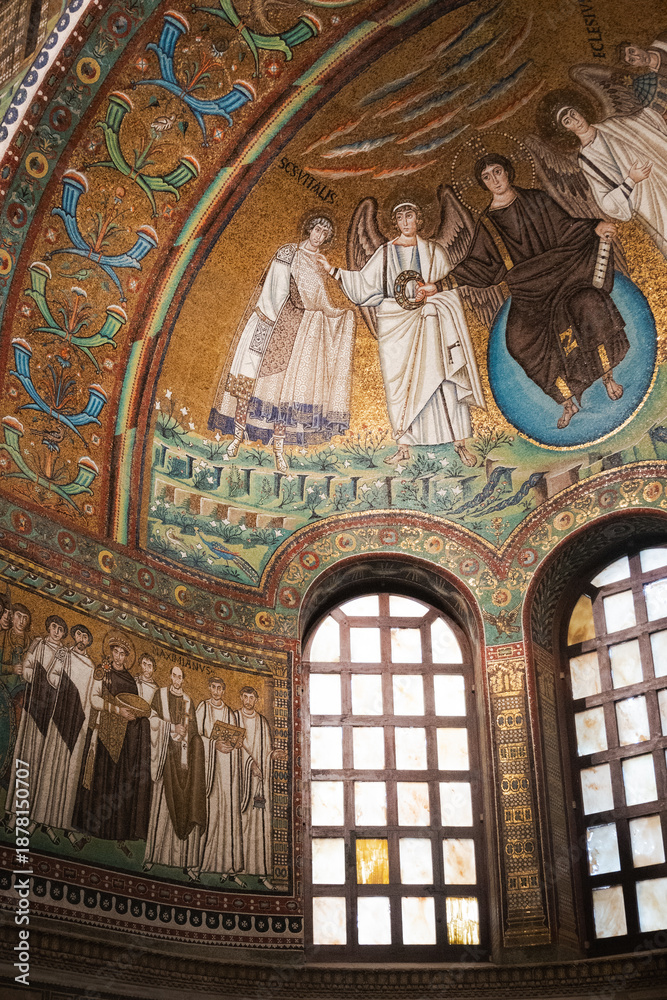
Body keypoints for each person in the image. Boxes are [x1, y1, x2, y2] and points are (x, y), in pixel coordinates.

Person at [444, 155, 629, 429]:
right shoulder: (488, 224)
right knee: (519, 340)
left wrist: (594, 226)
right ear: (483, 184)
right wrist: (442, 284)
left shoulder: (537, 199)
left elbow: (566, 227)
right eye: (487, 176)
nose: (495, 179)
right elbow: (483, 265)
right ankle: (567, 401)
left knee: (588, 304)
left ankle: (608, 376)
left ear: (508, 171)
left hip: (564, 277)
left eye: (497, 171)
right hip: (529, 295)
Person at [321, 201, 484, 466]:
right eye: (400, 217)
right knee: (398, 387)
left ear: (419, 219)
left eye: (410, 215)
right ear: (395, 222)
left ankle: (460, 444)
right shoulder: (385, 253)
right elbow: (363, 284)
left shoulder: (434, 252)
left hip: (431, 322)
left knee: (444, 380)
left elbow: (452, 288)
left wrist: (434, 293)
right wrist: (333, 271)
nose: (405, 221)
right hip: (395, 326)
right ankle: (404, 447)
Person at [209, 216, 355, 471]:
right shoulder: (288, 253)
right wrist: (279, 312)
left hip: (298, 334)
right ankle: (237, 439)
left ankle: (278, 450)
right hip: (269, 324)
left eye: (324, 234)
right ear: (309, 228)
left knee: (283, 396)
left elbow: (320, 301)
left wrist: (338, 314)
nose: (319, 236)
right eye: (317, 229)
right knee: (248, 383)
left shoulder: (319, 263)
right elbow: (274, 288)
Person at [72, 632, 152, 857]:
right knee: (97, 782)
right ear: (111, 652)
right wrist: (117, 710)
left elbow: (135, 706)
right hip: (102, 734)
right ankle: (88, 833)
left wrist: (135, 717)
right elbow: (94, 699)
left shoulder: (130, 681)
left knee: (118, 787)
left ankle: (119, 836)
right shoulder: (103, 671)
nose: (118, 656)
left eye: (122, 653)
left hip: (124, 739)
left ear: (127, 657)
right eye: (115, 651)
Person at [555, 103, 667, 258]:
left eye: (573, 113)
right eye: (567, 121)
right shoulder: (586, 160)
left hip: (661, 171)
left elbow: (643, 122)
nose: (575, 120)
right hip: (646, 200)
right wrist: (631, 180)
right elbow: (606, 202)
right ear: (566, 129)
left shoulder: (612, 125)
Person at [4, 615, 69, 838]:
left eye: (61, 629)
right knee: (27, 758)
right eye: (54, 627)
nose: (57, 631)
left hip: (51, 713)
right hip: (34, 707)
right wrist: (41, 677)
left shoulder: (65, 654)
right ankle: (16, 812)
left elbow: (61, 683)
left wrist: (55, 669)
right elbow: (27, 669)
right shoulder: (38, 644)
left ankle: (34, 816)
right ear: (48, 627)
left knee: (43, 764)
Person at [143, 666, 206, 880]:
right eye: (174, 676)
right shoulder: (160, 695)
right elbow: (151, 720)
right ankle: (153, 856)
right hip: (165, 758)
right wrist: (171, 728)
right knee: (161, 807)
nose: (177, 680)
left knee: (184, 806)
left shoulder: (188, 701)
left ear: (183, 679)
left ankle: (186, 863)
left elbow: (195, 732)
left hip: (184, 763)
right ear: (170, 676)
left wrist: (189, 736)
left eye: (180, 677)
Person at [196, 675, 245, 883]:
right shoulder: (203, 708)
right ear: (209, 688)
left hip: (227, 771)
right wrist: (212, 744)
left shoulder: (230, 713)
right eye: (213, 687)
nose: (216, 691)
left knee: (227, 814)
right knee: (210, 812)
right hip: (209, 769)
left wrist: (237, 744)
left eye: (219, 688)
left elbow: (236, 741)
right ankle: (200, 864)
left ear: (224, 690)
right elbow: (194, 736)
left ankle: (227, 866)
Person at [238, 686, 285, 888]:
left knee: (259, 825)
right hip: (240, 780)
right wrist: (250, 765)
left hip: (259, 783)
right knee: (240, 822)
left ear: (256, 700)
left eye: (252, 697)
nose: (248, 700)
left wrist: (272, 755)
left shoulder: (262, 722)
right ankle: (236, 869)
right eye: (245, 697)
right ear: (241, 697)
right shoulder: (234, 718)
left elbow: (266, 750)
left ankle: (260, 872)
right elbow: (233, 746)